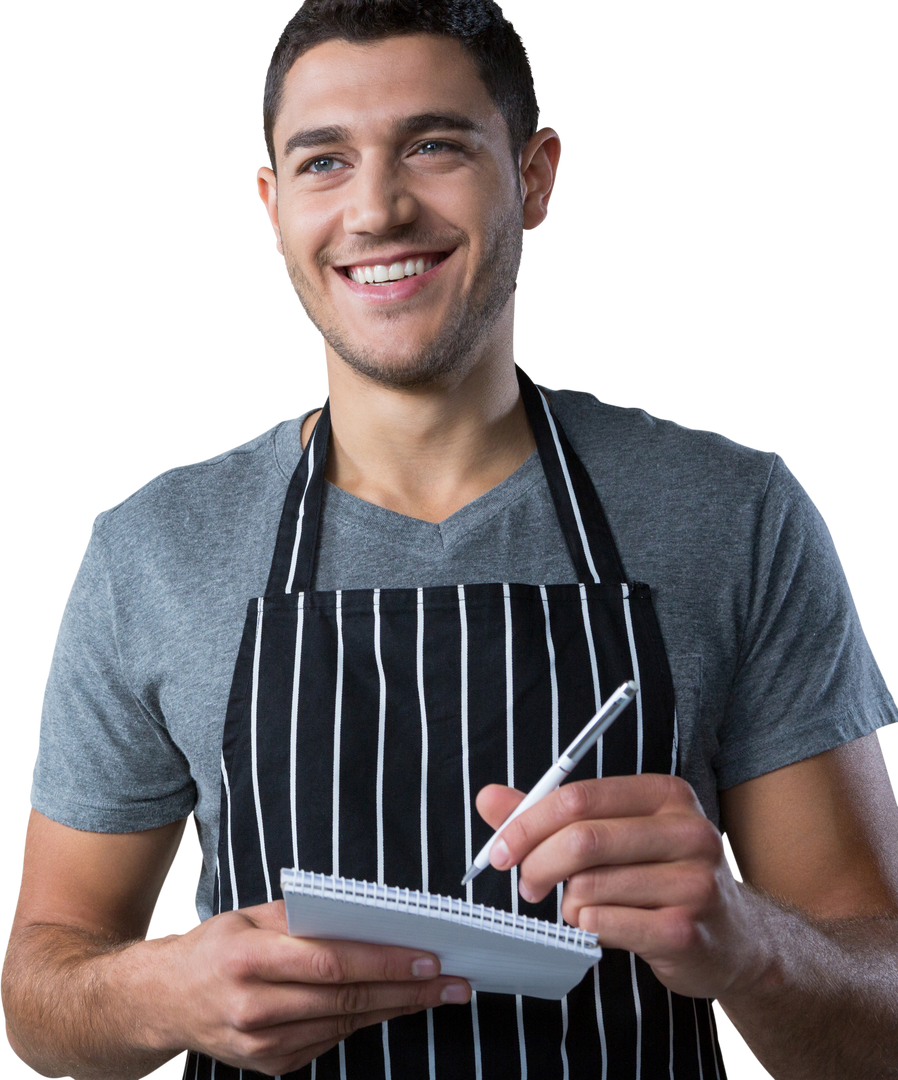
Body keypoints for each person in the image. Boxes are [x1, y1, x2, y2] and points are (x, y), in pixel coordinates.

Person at [4, 1, 898, 1077]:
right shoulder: (150, 547)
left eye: (433, 146)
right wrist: (159, 994)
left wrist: (751, 950)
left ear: (534, 175)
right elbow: (37, 997)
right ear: (272, 205)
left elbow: (879, 1018)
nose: (376, 208)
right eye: (325, 160)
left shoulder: (738, 510)